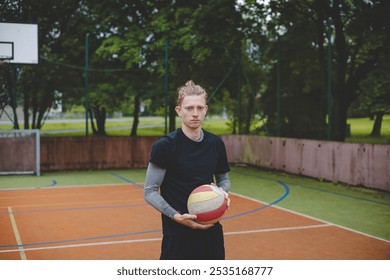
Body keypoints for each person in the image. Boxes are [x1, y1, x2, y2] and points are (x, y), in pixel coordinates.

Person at [144, 80, 231, 260]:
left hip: (211, 231)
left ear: (206, 109)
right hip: (177, 234)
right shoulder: (165, 146)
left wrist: (222, 193)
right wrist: (176, 216)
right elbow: (150, 191)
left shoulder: (215, 144)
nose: (195, 114)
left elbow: (223, 179)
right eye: (189, 108)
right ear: (179, 111)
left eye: (200, 108)